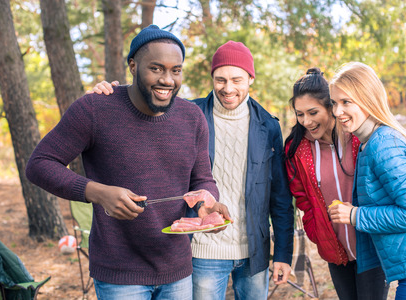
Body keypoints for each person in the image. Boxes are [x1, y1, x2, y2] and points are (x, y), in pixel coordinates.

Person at [25, 25, 231, 300]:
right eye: (156, 69)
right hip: (119, 274)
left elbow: (203, 179)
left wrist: (208, 200)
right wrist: (98, 192)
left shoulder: (192, 117)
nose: (168, 80)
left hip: (178, 270)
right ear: (133, 66)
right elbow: (39, 164)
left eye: (176, 70)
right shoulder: (95, 109)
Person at [91, 40, 294, 300]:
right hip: (201, 251)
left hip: (254, 251)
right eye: (220, 79)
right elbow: (143, 108)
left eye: (237, 79)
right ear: (211, 78)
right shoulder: (187, 114)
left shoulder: (269, 126)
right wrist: (107, 96)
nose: (228, 88)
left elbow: (279, 197)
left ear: (250, 78)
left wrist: (284, 254)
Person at [328, 62, 406, 300]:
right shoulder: (370, 143)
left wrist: (355, 216)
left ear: (368, 99)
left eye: (346, 102)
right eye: (334, 103)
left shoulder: (383, 144)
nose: (337, 112)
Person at [284, 67, 389, 300]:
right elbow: (303, 200)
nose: (306, 121)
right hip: (335, 249)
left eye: (313, 112)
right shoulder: (298, 150)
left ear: (331, 107)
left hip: (370, 244)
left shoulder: (357, 135)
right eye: (300, 114)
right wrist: (319, 232)